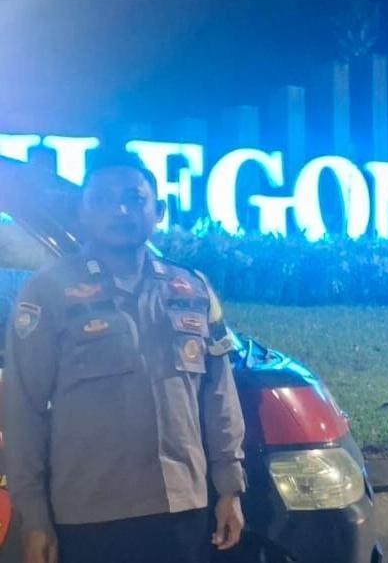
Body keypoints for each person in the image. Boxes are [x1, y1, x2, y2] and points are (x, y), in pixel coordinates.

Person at [4, 150, 247, 563]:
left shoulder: (192, 289)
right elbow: (23, 409)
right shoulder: (48, 293)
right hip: (88, 514)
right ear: (81, 213)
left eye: (134, 198)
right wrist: (35, 518)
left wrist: (230, 490)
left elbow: (218, 395)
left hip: (183, 509)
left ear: (159, 211)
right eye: (102, 199)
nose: (119, 210)